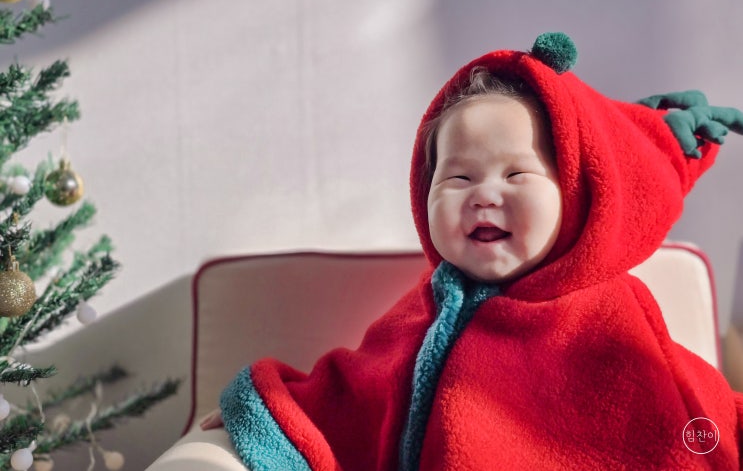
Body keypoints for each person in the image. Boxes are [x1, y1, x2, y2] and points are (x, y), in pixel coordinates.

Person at [202, 32, 743, 470]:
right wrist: (271, 414)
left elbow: (689, 409)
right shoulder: (436, 310)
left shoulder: (612, 314)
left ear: (574, 195)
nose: (484, 195)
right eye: (458, 177)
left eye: (516, 174)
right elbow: (359, 390)